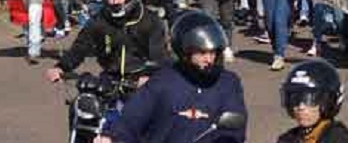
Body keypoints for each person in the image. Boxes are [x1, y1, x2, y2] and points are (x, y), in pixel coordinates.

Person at [101, 10, 247, 143]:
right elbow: (132, 118)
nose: (209, 59)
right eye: (201, 53)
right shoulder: (162, 81)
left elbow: (235, 128)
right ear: (185, 52)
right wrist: (111, 137)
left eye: (213, 53)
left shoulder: (228, 83)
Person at [45, 0, 167, 83]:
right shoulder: (99, 20)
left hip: (142, 83)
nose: (115, 1)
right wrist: (60, 67)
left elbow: (160, 57)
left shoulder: (151, 21)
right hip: (109, 80)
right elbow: (80, 47)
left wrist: (149, 76)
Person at [277, 59, 348, 143]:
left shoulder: (339, 138)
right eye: (295, 100)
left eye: (310, 100)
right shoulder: (287, 139)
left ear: (328, 103)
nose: (301, 107)